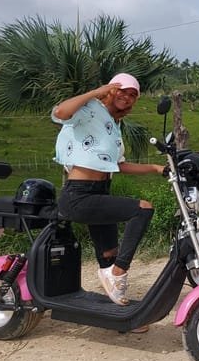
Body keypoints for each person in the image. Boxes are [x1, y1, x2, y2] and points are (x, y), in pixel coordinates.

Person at [52, 73, 165, 308]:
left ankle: (117, 305)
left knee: (109, 254)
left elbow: (119, 165)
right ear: (111, 90)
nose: (127, 97)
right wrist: (96, 92)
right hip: (79, 194)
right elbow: (61, 113)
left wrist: (156, 168)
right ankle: (120, 272)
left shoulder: (115, 127)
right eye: (122, 90)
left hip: (100, 191)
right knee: (142, 209)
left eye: (133, 95)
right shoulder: (90, 109)